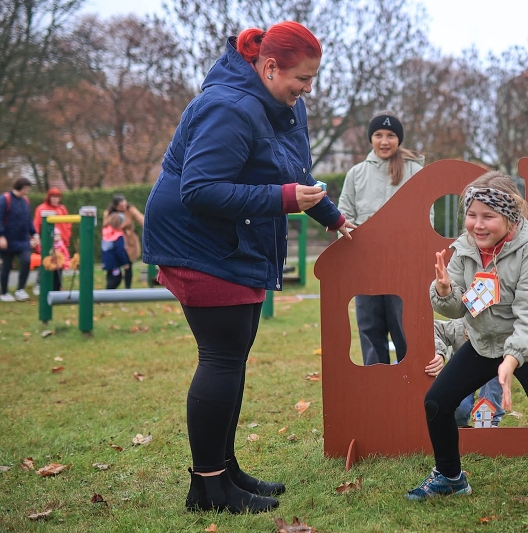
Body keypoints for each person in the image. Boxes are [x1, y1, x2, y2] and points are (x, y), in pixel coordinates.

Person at [142, 23, 355, 514]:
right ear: (269, 67)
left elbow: (294, 171)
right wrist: (283, 200)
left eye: (313, 78)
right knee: (221, 357)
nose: (308, 89)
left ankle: (225, 470)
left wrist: (332, 216)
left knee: (232, 357)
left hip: (235, 240)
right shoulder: (228, 107)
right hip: (199, 243)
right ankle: (208, 488)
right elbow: (199, 189)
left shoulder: (285, 105)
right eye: (302, 78)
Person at [407, 170, 528, 506]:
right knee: (437, 402)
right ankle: (450, 477)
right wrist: (443, 290)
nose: (477, 225)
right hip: (485, 341)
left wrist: (511, 360)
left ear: (509, 216)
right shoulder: (464, 248)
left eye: (488, 216)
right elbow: (457, 308)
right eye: (471, 215)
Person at [337, 111, 424, 365]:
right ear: (371, 138)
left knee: (404, 325)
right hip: (366, 266)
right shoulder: (356, 174)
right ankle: (375, 382)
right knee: (370, 326)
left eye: (390, 135)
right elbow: (344, 215)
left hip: (403, 266)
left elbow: (425, 216)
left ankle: (410, 379)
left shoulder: (415, 171)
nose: (384, 141)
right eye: (378, 135)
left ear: (399, 139)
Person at [427, 318, 504, 427]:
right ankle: (459, 426)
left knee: (488, 404)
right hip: (465, 367)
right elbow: (433, 329)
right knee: (460, 408)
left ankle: (489, 425)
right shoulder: (460, 325)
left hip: (494, 364)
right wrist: (439, 352)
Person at [0, 178, 38, 302]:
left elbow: (28, 219)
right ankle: (4, 293)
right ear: (19, 188)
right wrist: (1, 236)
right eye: (25, 189)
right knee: (6, 266)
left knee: (26, 261)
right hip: (8, 240)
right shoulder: (5, 199)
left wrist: (34, 234)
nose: (27, 191)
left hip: (23, 240)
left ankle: (20, 290)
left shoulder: (25, 201)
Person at [33, 187, 71, 295]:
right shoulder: (42, 208)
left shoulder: (62, 209)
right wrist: (37, 238)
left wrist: (66, 236)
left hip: (60, 241)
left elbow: (67, 224)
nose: (55, 199)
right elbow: (36, 224)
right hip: (47, 241)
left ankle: (57, 286)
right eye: (53, 197)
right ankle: (39, 284)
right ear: (49, 197)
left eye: (57, 197)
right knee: (46, 262)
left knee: (60, 263)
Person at [103, 194, 144, 289]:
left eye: (124, 205)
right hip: (115, 240)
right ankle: (110, 288)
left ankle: (127, 288)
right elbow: (105, 226)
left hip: (129, 241)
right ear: (115, 206)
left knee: (128, 264)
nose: (123, 207)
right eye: (121, 206)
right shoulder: (109, 213)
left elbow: (141, 219)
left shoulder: (130, 209)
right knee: (113, 266)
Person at [101, 213, 131, 289]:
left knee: (110, 278)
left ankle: (108, 293)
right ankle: (107, 295)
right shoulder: (118, 235)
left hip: (107, 261)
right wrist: (124, 263)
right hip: (115, 263)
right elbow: (120, 251)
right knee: (116, 280)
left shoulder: (106, 232)